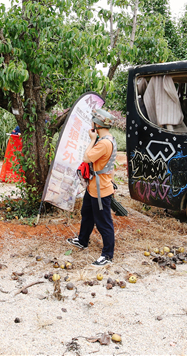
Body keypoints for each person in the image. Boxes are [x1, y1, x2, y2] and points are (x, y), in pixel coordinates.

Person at [66, 107, 117, 267]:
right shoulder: (109, 139)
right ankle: (82, 240)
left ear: (97, 124)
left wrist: (92, 139)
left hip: (100, 190)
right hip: (93, 186)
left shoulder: (104, 143)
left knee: (103, 223)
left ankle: (107, 255)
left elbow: (87, 157)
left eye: (93, 121)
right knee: (86, 213)